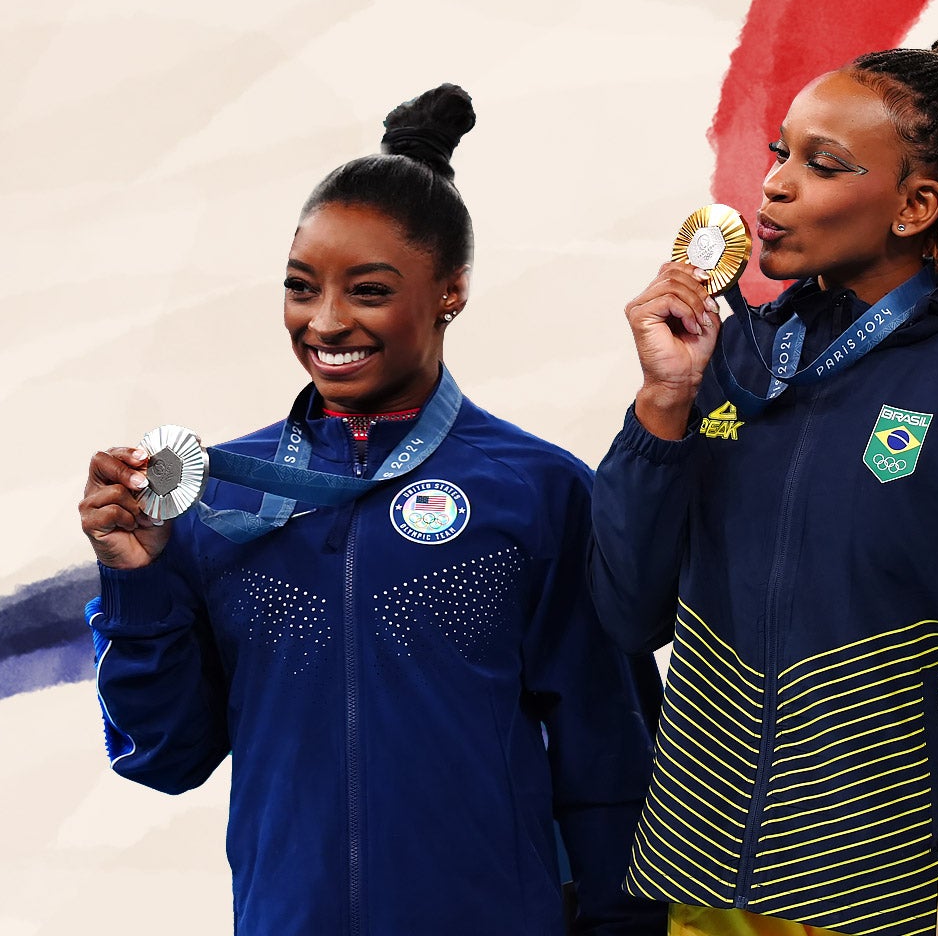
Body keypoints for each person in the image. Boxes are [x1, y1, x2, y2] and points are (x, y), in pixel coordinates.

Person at [78, 84, 662, 936]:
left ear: (451, 291)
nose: (325, 321)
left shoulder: (537, 490)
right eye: (301, 287)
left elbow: (608, 761)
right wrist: (138, 581)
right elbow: (165, 757)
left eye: (369, 290)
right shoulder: (228, 496)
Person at [589, 33, 938, 936]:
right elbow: (628, 615)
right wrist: (664, 402)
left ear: (915, 205)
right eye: (780, 151)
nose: (775, 183)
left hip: (895, 894)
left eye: (822, 165)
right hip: (704, 880)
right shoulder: (731, 353)